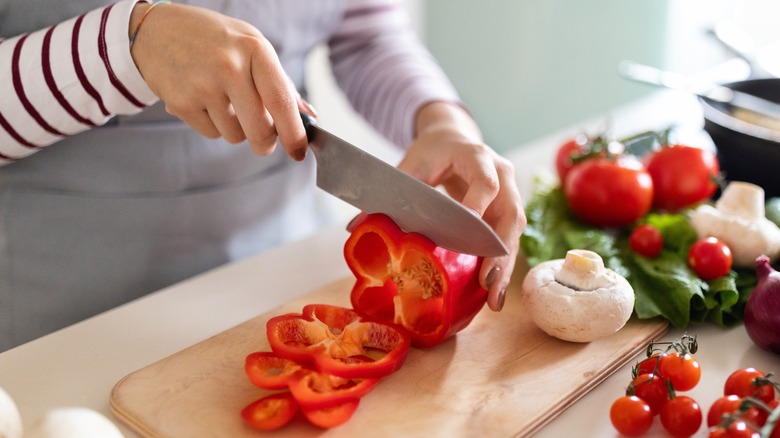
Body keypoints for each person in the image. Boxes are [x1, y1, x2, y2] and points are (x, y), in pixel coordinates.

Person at [0, 0, 526, 351]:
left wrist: (440, 120)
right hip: (55, 317)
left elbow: (366, 34)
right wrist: (122, 45)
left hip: (278, 274)